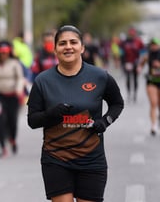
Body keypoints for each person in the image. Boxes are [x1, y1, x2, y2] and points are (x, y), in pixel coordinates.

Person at [27, 25, 124, 202]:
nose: (68, 47)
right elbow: (32, 121)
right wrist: (52, 115)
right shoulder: (43, 81)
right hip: (56, 158)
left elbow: (117, 103)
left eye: (73, 42)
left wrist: (105, 121)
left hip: (91, 158)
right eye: (62, 43)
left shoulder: (100, 76)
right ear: (55, 49)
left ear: (82, 47)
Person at [0, 40, 25, 158]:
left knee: (12, 120)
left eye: (6, 52)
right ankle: (2, 147)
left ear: (9, 52)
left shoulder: (15, 63)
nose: (3, 54)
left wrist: (19, 90)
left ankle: (12, 139)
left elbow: (20, 78)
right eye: (1, 52)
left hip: (13, 96)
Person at [137, 37, 160, 136]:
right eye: (152, 45)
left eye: (155, 44)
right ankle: (153, 126)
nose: (153, 46)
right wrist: (139, 68)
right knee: (153, 103)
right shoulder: (147, 55)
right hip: (151, 81)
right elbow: (141, 64)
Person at [120, 27, 145, 102]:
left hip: (136, 63)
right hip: (127, 62)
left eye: (133, 33)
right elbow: (121, 52)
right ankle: (129, 94)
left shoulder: (138, 41)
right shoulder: (124, 42)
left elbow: (143, 52)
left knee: (135, 79)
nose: (132, 35)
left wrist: (140, 64)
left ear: (135, 34)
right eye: (130, 33)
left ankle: (135, 95)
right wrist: (123, 63)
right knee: (128, 78)